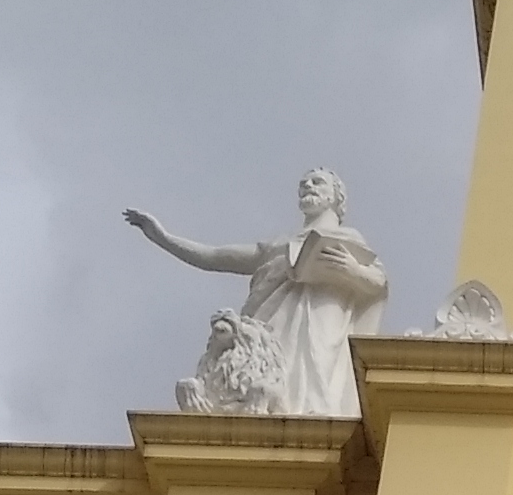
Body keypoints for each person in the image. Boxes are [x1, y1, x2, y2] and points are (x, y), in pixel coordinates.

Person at [126, 170, 389, 417]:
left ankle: (319, 419)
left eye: (317, 182)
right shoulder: (278, 245)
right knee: (271, 367)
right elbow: (215, 256)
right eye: (303, 183)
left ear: (336, 196)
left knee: (318, 365)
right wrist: (162, 237)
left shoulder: (349, 238)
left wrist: (352, 269)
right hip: (272, 322)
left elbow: (377, 282)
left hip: (324, 312)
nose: (307, 186)